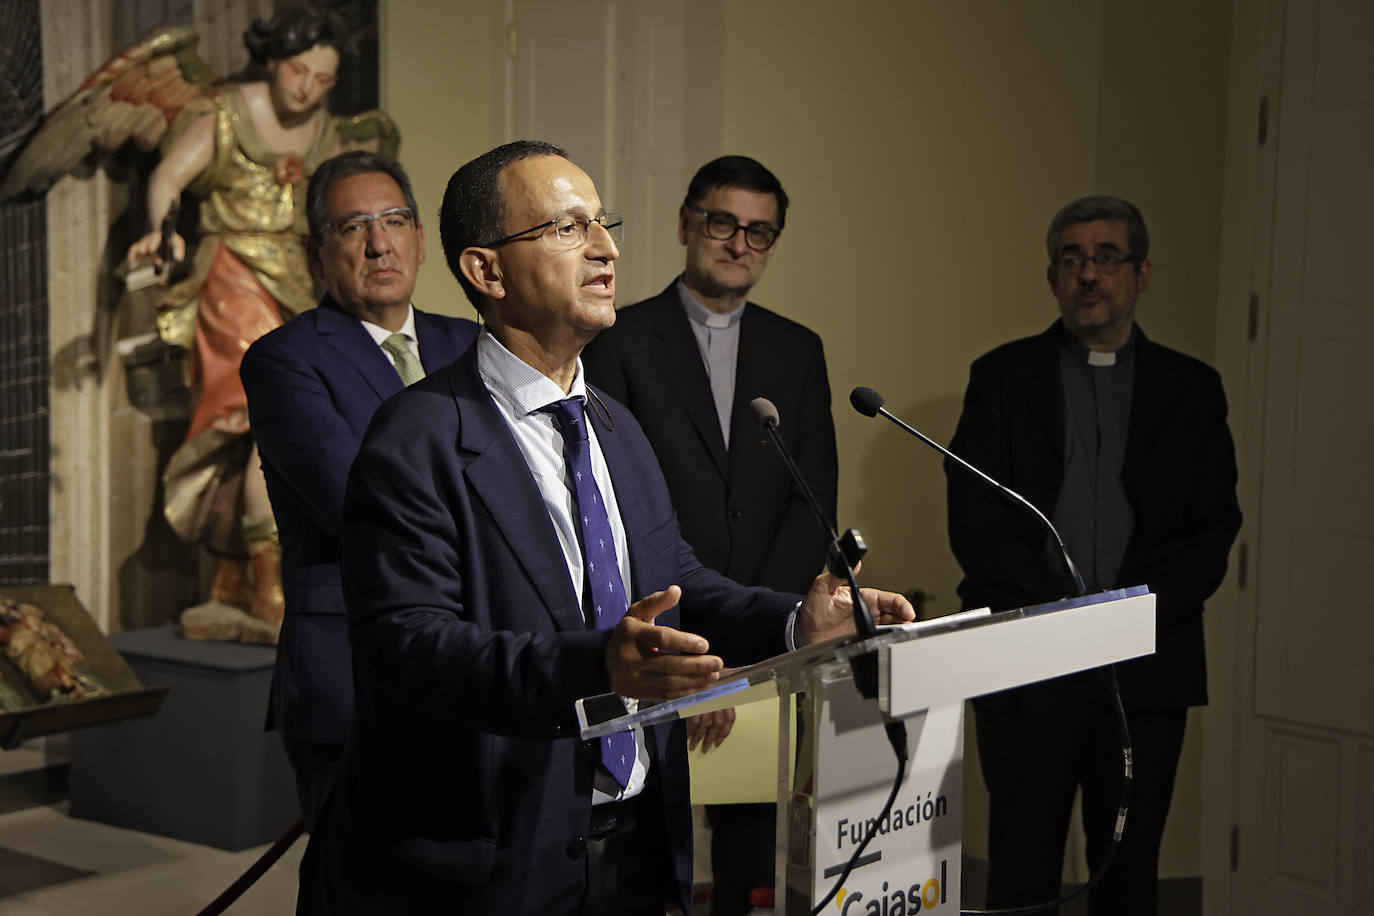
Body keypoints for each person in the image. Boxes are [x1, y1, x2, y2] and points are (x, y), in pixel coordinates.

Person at [296, 140, 914, 915]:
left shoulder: (614, 424)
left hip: (636, 849)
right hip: (493, 857)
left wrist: (794, 619)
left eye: (603, 222)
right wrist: (599, 667)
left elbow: (674, 576)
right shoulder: (415, 437)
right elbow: (409, 646)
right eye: (565, 227)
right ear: (486, 271)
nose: (606, 247)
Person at [945, 195, 1241, 915]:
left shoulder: (1193, 389)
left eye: (1107, 257)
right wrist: (1066, 615)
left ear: (1141, 274)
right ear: (1052, 278)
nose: (1089, 275)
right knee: (1023, 868)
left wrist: (1131, 615)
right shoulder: (1002, 378)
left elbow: (1212, 527)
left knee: (1127, 873)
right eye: (1072, 259)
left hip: (1147, 666)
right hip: (1027, 662)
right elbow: (977, 521)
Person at [581, 154, 835, 916]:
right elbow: (618, 506)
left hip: (760, 639)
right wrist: (694, 641)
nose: (739, 243)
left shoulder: (798, 348)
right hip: (663, 635)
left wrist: (756, 639)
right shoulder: (621, 339)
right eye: (724, 223)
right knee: (649, 840)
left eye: (760, 231)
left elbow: (811, 496)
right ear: (688, 224)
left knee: (750, 845)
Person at [126, 6, 396, 630]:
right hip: (233, 278)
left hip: (302, 282)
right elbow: (169, 175)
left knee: (299, 416)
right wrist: (161, 233)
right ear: (274, 60)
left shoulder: (331, 130)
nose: (305, 89)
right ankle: (266, 582)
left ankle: (248, 573)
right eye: (298, 71)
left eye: (323, 80)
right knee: (256, 418)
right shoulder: (225, 111)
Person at [239, 151, 478, 829]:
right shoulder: (285, 359)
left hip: (480, 657)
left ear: (421, 240)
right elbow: (360, 502)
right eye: (353, 227)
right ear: (316, 251)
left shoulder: (474, 346)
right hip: (352, 668)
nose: (379, 243)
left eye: (395, 219)